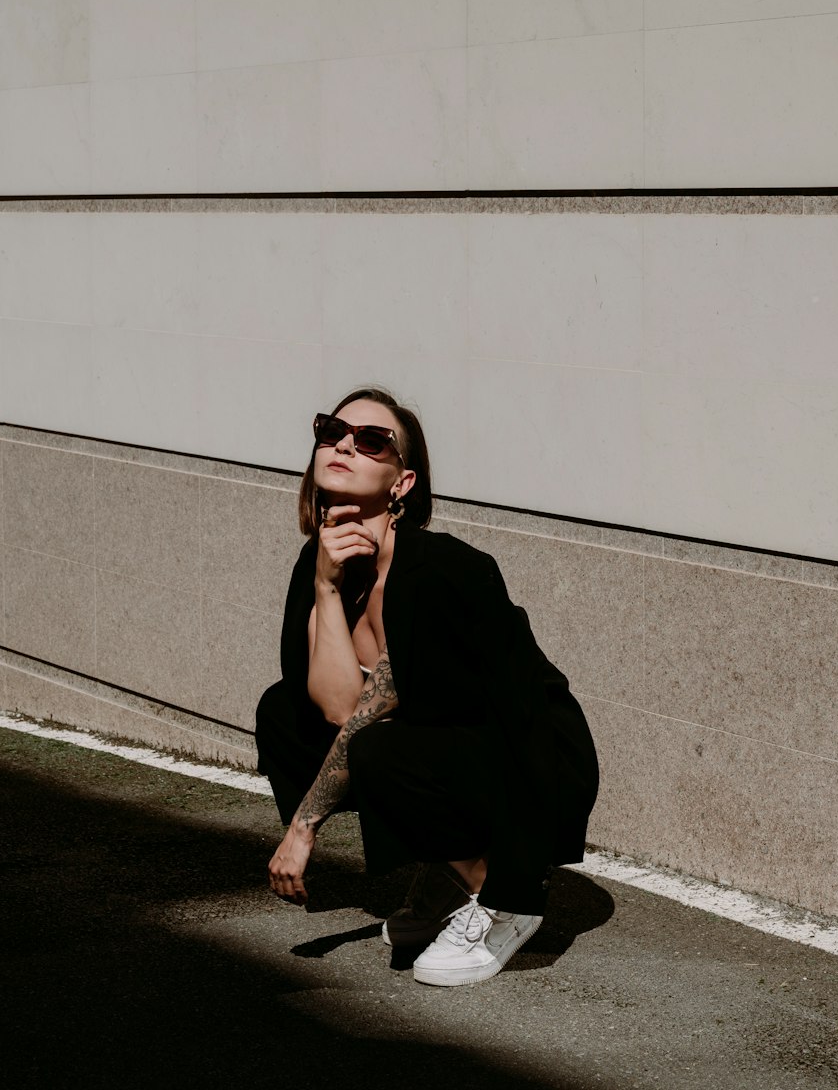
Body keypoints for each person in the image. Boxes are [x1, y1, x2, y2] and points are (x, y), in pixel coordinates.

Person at [255, 387, 599, 987]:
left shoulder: (441, 572)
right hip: (450, 752)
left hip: (533, 759)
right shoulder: (319, 565)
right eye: (332, 430)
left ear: (402, 482)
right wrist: (328, 589)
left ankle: (503, 899)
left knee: (379, 748)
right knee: (282, 714)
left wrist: (303, 827)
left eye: (370, 440)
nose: (343, 444)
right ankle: (450, 873)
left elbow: (372, 722)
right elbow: (336, 708)